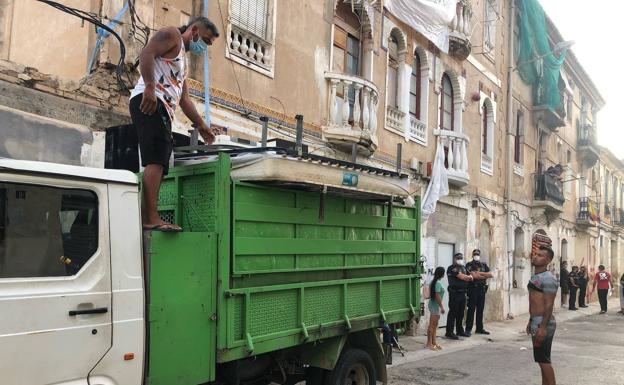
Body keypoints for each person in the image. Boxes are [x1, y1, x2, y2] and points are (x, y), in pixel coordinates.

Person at [130, 17, 220, 231]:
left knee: (161, 161)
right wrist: (150, 88)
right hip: (150, 100)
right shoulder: (172, 34)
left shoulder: (183, 62)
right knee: (156, 160)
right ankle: (150, 218)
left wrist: (202, 126)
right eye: (206, 41)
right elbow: (146, 54)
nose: (204, 47)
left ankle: (150, 216)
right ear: (195, 30)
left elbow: (184, 99)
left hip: (163, 108)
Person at [527, 245, 558, 385]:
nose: (535, 256)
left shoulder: (548, 278)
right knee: (541, 360)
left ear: (548, 260)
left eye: (540, 255)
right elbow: (535, 301)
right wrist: (530, 320)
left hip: (543, 323)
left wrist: (543, 327)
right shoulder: (536, 276)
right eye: (535, 254)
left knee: (544, 361)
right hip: (536, 321)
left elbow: (548, 305)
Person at [445, 252, 474, 340]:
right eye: (458, 258)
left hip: (463, 293)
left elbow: (471, 277)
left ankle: (459, 330)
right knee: (453, 312)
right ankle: (449, 332)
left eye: (461, 258)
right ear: (454, 259)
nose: (460, 259)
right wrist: (467, 277)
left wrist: (468, 277)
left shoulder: (464, 267)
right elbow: (462, 277)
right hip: (455, 293)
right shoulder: (451, 268)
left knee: (461, 313)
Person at [465, 249, 493, 335]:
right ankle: (468, 329)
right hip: (473, 289)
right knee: (471, 310)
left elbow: (490, 274)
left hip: (482, 289)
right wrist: (484, 276)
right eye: (475, 254)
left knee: (480, 309)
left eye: (477, 254)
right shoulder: (469, 264)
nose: (476, 255)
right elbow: (474, 276)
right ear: (472, 255)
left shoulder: (483, 264)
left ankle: (479, 328)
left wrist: (480, 274)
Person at [426, 267, 446, 351]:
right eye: (444, 273)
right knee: (432, 325)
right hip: (435, 306)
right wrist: (441, 307)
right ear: (441, 274)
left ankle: (434, 342)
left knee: (435, 325)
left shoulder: (434, 282)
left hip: (435, 305)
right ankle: (429, 343)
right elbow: (437, 296)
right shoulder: (437, 283)